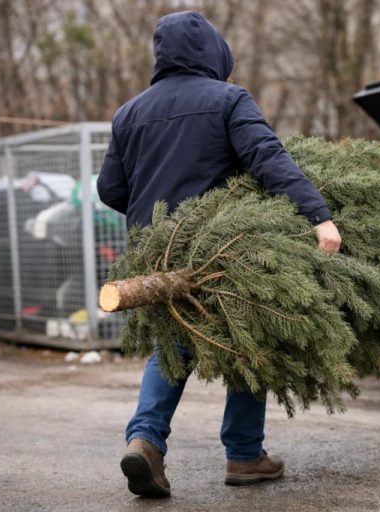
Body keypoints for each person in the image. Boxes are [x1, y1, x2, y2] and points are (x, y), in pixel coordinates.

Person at [97, 10, 341, 498]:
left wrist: (154, 216)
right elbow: (267, 158)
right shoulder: (228, 99)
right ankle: (245, 455)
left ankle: (145, 441)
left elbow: (110, 188)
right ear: (213, 51)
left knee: (171, 344)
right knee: (247, 338)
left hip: (156, 251)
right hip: (222, 250)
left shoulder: (129, 112)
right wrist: (318, 215)